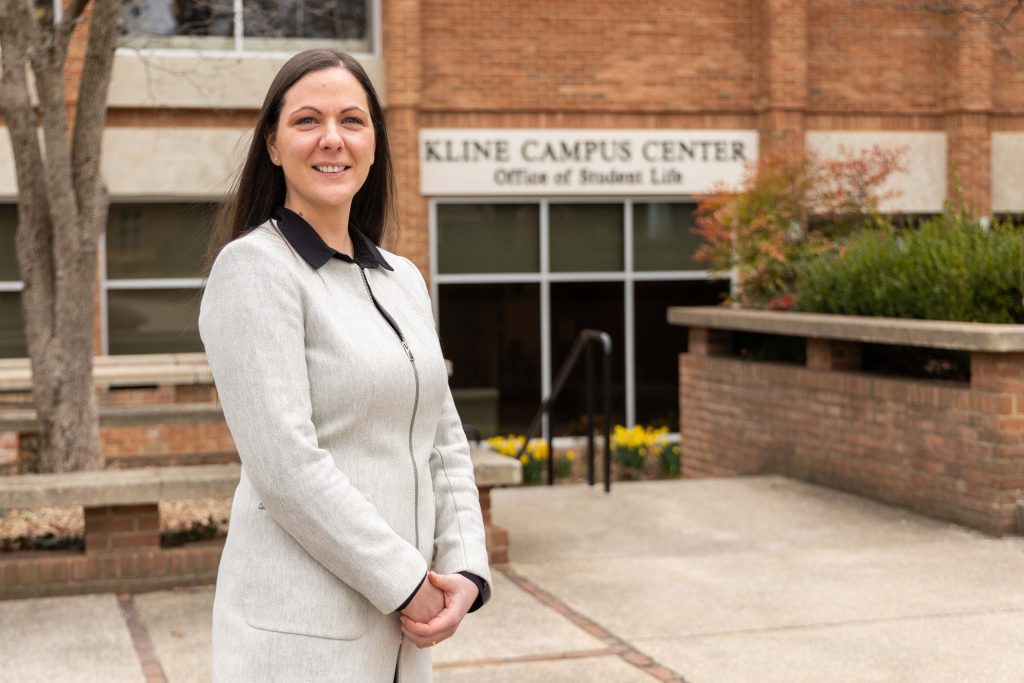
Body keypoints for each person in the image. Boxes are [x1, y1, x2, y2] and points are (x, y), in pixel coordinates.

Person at [199, 48, 492, 682]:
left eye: (352, 121)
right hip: (301, 638)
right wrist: (408, 583)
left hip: (402, 638)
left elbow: (443, 437)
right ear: (273, 145)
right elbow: (285, 466)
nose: (332, 139)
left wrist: (466, 567)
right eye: (307, 121)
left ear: (375, 143)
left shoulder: (403, 279)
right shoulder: (254, 271)